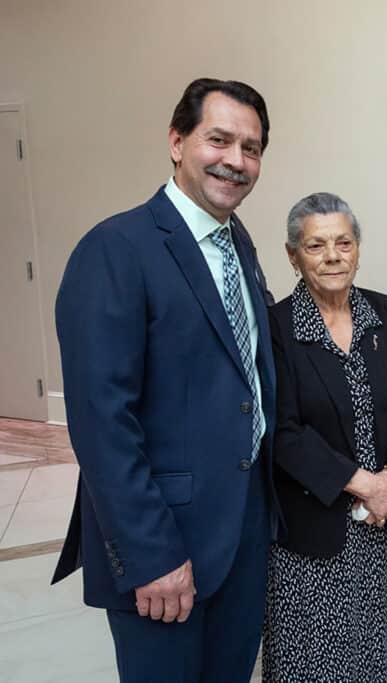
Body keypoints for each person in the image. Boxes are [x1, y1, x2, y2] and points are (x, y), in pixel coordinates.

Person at [53, 78, 278, 681]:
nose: (236, 160)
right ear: (177, 142)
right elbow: (102, 421)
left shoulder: (238, 244)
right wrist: (151, 554)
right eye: (219, 140)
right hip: (166, 543)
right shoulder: (115, 249)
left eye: (251, 148)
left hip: (242, 531)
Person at [262, 192, 387, 681]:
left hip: (382, 524)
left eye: (344, 243)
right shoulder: (277, 328)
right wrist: (366, 485)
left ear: (358, 249)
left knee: (378, 657)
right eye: (316, 246)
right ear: (293, 256)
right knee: (313, 661)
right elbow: (282, 430)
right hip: (311, 532)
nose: (333, 256)